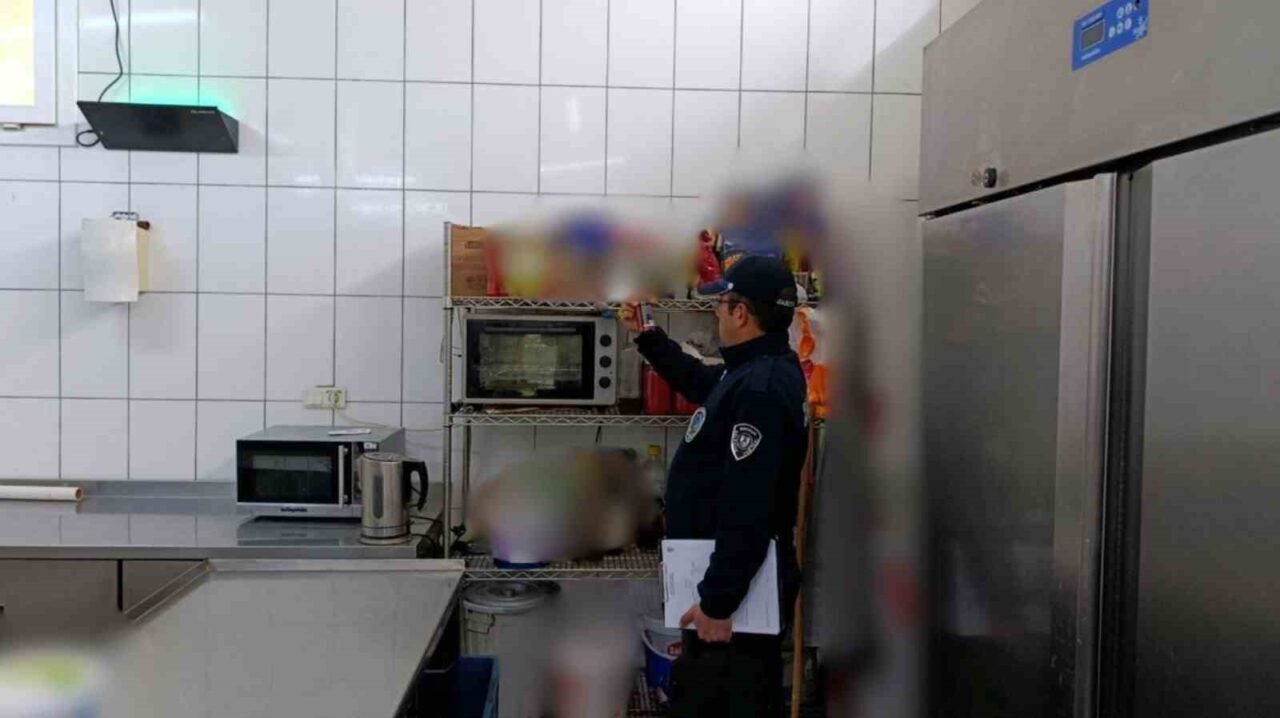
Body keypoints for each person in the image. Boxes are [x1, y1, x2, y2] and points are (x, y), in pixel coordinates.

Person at [623, 255, 808, 718]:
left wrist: (718, 604)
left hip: (737, 600)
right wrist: (648, 335)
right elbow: (698, 381)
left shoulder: (760, 390)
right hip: (727, 583)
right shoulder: (751, 368)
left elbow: (749, 506)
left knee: (725, 700)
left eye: (720, 305)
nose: (716, 313)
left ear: (741, 313)